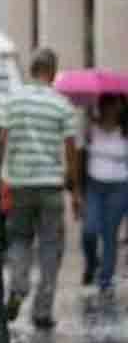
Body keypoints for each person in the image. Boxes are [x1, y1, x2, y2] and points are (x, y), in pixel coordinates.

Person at [1, 48, 80, 329]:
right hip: (50, 186)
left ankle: (18, 288)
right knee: (50, 247)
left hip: (20, 183)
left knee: (20, 239)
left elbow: (2, 138)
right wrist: (76, 191)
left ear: (31, 70)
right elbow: (71, 151)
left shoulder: (12, 101)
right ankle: (42, 310)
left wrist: (1, 178)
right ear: (53, 72)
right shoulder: (62, 105)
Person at [75, 93, 128, 298]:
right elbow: (80, 156)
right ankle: (91, 263)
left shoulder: (125, 131)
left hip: (120, 186)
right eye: (107, 104)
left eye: (115, 105)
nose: (111, 109)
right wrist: (78, 188)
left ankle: (105, 279)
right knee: (89, 229)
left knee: (109, 233)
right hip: (94, 186)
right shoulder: (91, 128)